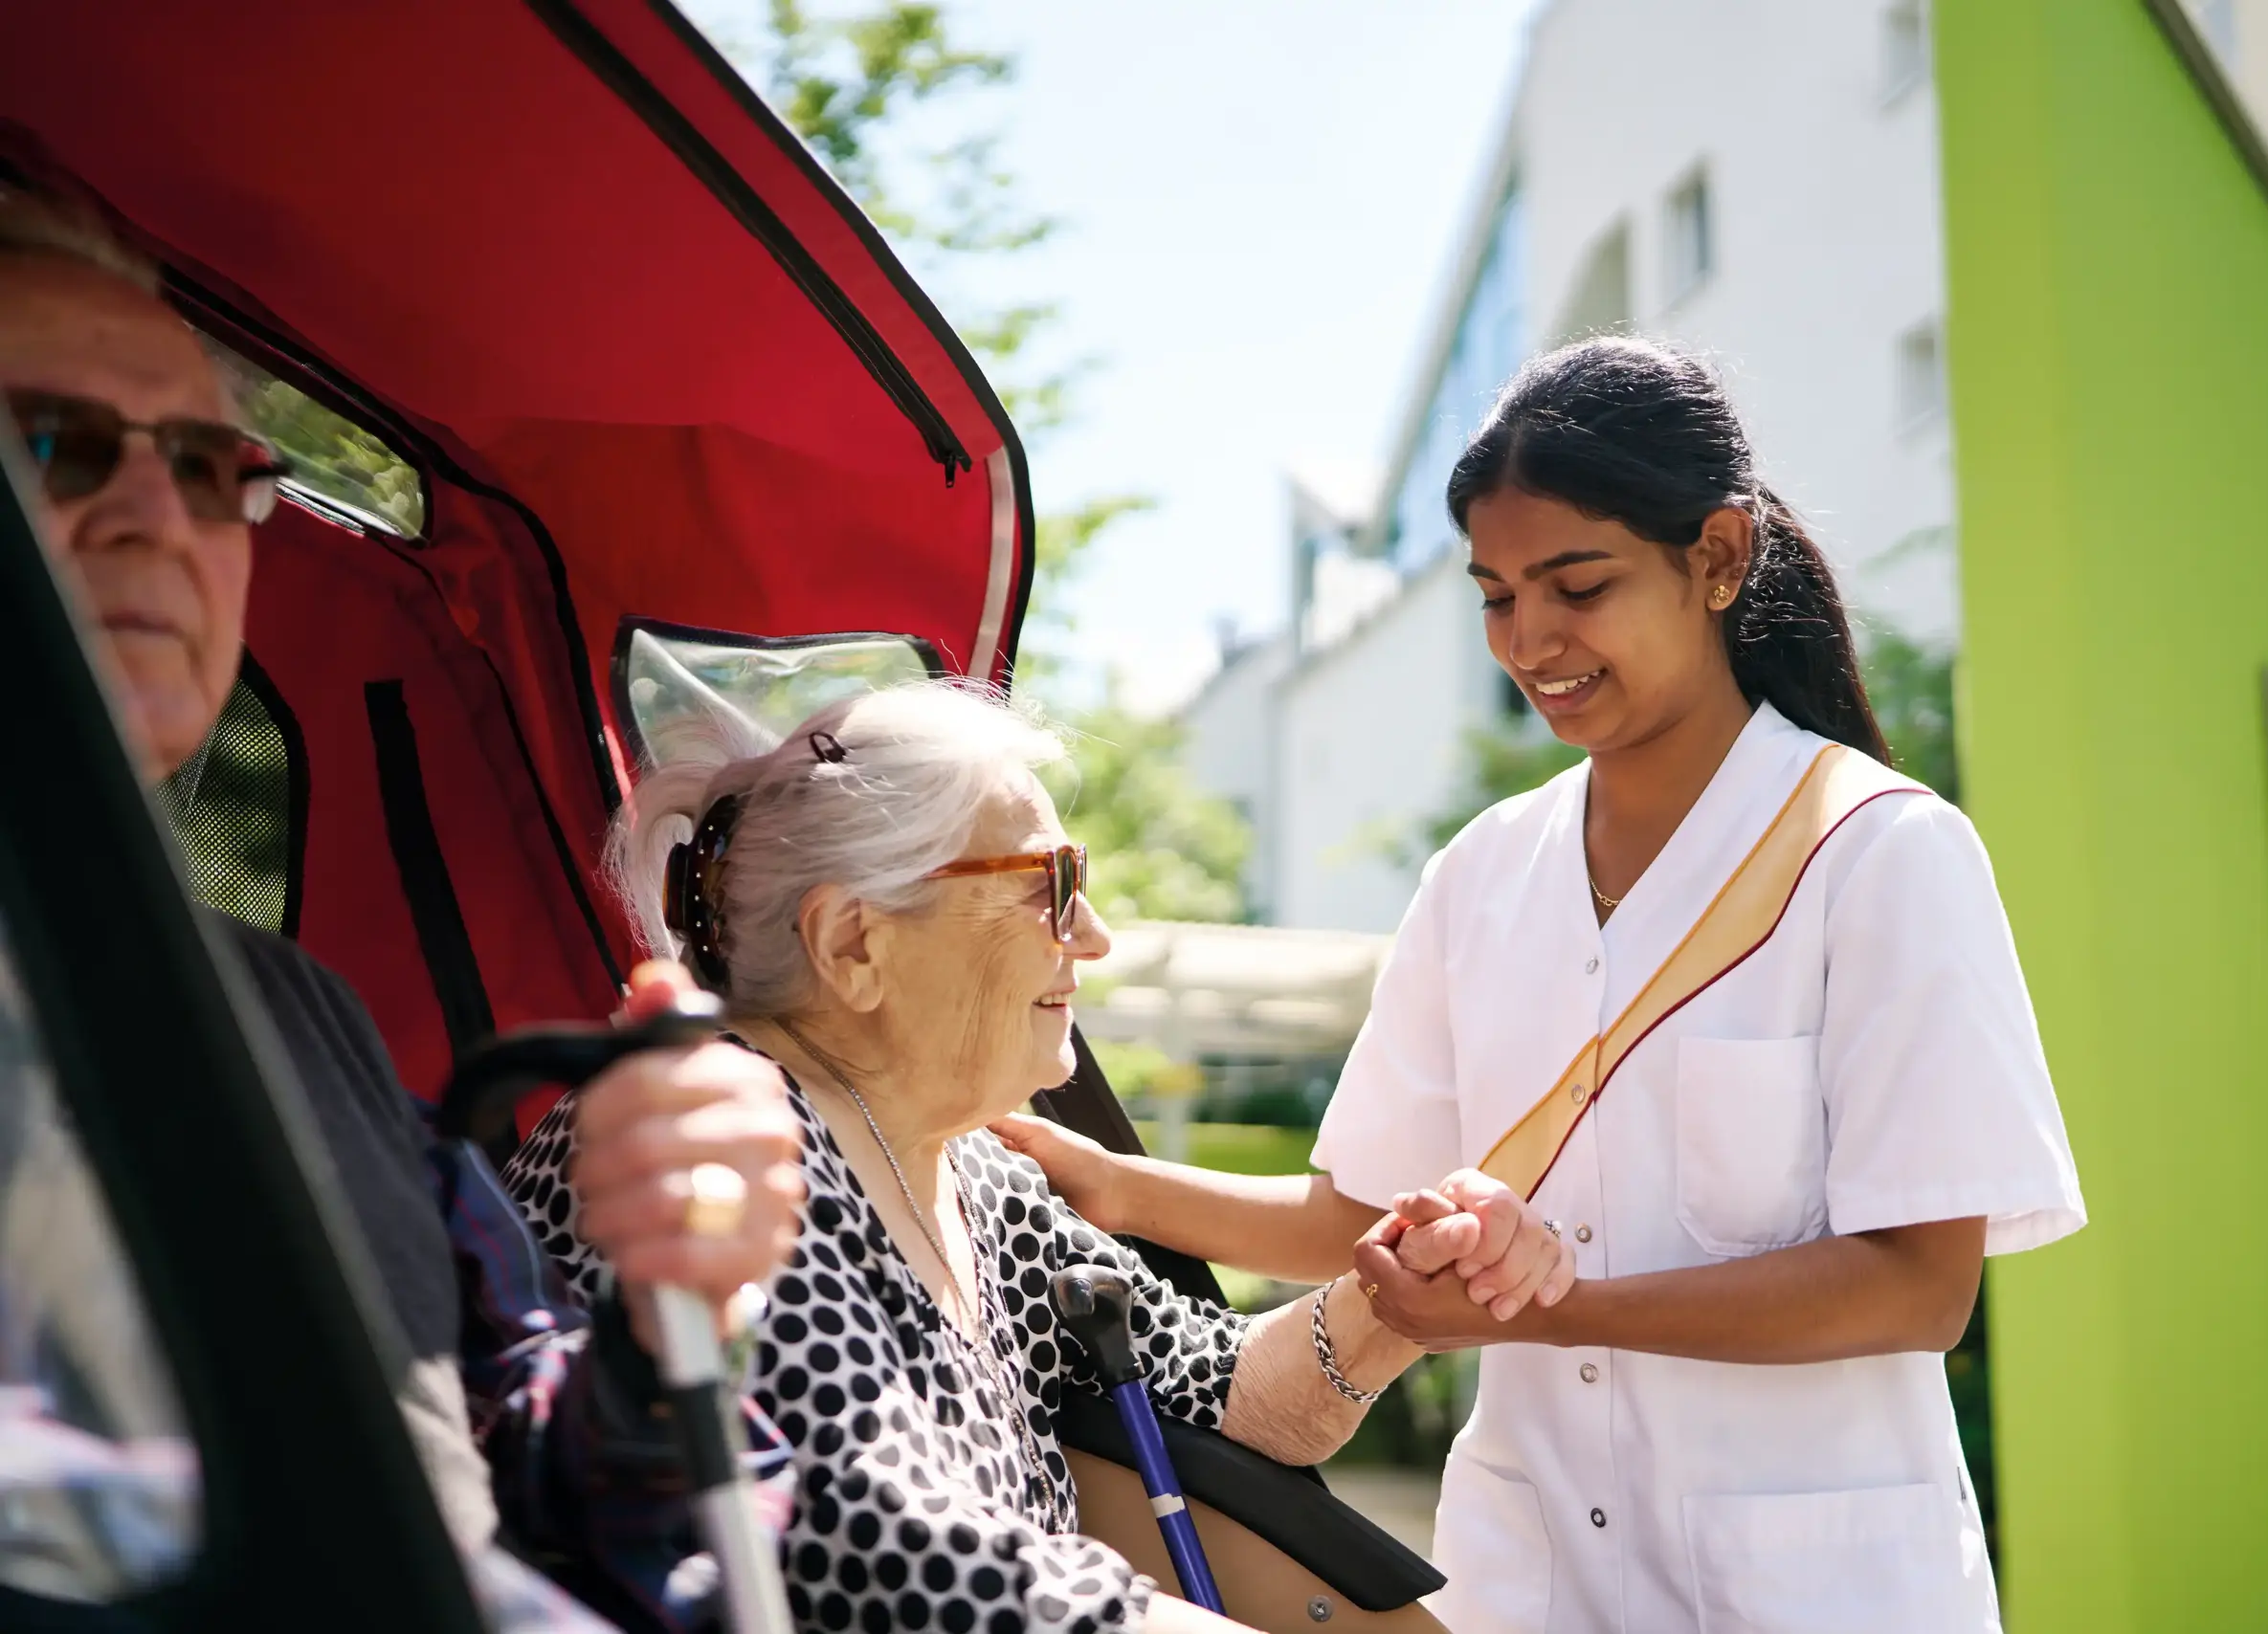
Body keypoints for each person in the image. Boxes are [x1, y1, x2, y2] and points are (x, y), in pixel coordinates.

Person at [1006, 337, 2086, 1633]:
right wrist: (1111, 1185)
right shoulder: (1482, 873)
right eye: (1496, 595)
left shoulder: (1879, 853)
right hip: (1531, 1578)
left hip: (1814, 1590)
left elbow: (1918, 1286)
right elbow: (1354, 1211)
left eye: (1578, 585)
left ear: (1718, 557)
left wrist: (1553, 1309)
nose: (1530, 640)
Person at [0, 182, 808, 1631]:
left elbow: (521, 1456)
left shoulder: (295, 1007)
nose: (157, 519)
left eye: (208, 468)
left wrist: (667, 1328)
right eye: (52, 445)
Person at [504, 682, 1571, 1634]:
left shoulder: (977, 1174)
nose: (1093, 934)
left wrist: (1394, 1294)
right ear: (853, 943)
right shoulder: (714, 1144)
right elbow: (899, 1566)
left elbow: (1223, 1392)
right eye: (1049, 883)